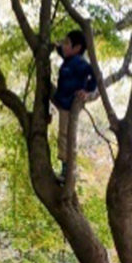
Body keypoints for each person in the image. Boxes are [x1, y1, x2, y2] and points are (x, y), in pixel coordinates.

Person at [52, 30, 97, 181]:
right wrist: (56, 46)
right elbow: (61, 51)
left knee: (64, 135)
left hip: (69, 105)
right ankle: (67, 168)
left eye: (67, 43)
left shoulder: (79, 63)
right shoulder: (68, 58)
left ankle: (67, 170)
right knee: (63, 134)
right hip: (62, 100)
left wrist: (87, 91)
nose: (64, 46)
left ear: (77, 48)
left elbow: (95, 74)